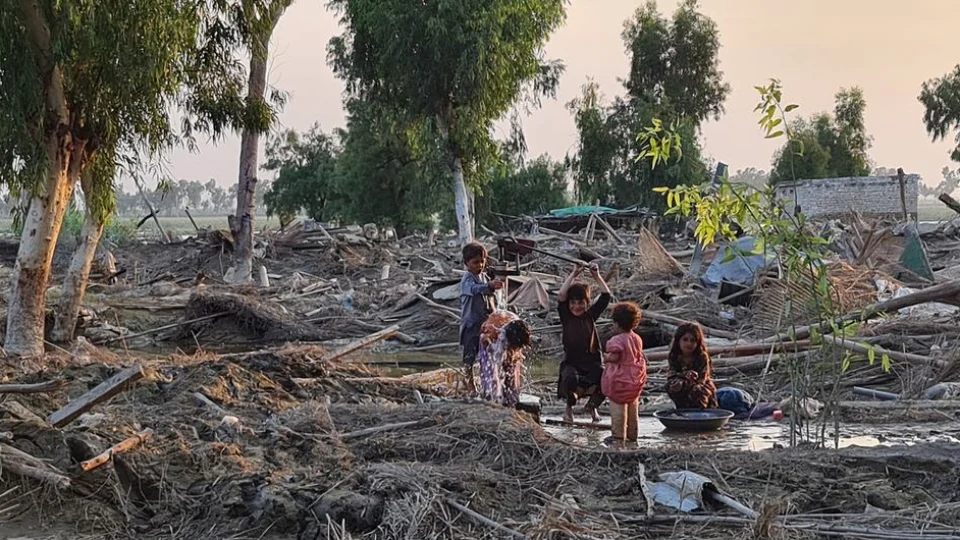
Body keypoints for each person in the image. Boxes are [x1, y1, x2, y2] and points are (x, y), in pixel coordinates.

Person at [557, 262, 612, 423]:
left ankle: (592, 407)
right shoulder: (566, 317)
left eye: (581, 303)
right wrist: (574, 273)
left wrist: (596, 276)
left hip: (592, 361)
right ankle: (569, 408)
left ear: (587, 303)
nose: (576, 306)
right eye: (573, 303)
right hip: (572, 362)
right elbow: (561, 295)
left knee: (606, 379)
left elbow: (606, 296)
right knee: (570, 379)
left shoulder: (590, 316)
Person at [459, 242, 503, 391]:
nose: (480, 265)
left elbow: (491, 299)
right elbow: (473, 289)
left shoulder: (484, 277)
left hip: (485, 324)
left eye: (482, 261)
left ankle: (489, 382)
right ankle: (468, 383)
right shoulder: (467, 279)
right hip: (471, 324)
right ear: (467, 264)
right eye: (476, 262)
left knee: (489, 353)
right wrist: (489, 286)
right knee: (469, 356)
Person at [602, 302, 647, 443]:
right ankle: (633, 435)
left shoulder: (616, 340)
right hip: (634, 379)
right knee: (633, 407)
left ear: (617, 323)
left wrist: (606, 357)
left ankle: (618, 436)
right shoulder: (636, 338)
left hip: (620, 381)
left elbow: (615, 357)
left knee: (618, 409)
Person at [666, 323, 718, 409]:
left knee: (697, 389)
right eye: (685, 340)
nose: (688, 343)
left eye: (692, 340)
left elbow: (703, 379)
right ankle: (681, 409)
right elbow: (671, 374)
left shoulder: (701, 356)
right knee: (671, 386)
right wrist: (683, 377)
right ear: (678, 340)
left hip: (701, 386)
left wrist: (692, 379)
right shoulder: (674, 355)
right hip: (682, 382)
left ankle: (700, 413)